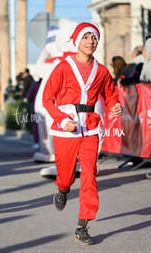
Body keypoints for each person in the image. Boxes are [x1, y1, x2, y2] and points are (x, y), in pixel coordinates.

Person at [42, 22, 123, 245]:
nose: (90, 42)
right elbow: (47, 99)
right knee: (67, 174)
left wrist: (116, 106)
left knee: (89, 174)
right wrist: (62, 119)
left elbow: (111, 96)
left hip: (91, 128)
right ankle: (62, 188)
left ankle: (83, 226)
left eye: (94, 38)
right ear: (77, 41)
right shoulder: (63, 67)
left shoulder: (102, 71)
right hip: (66, 129)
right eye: (86, 38)